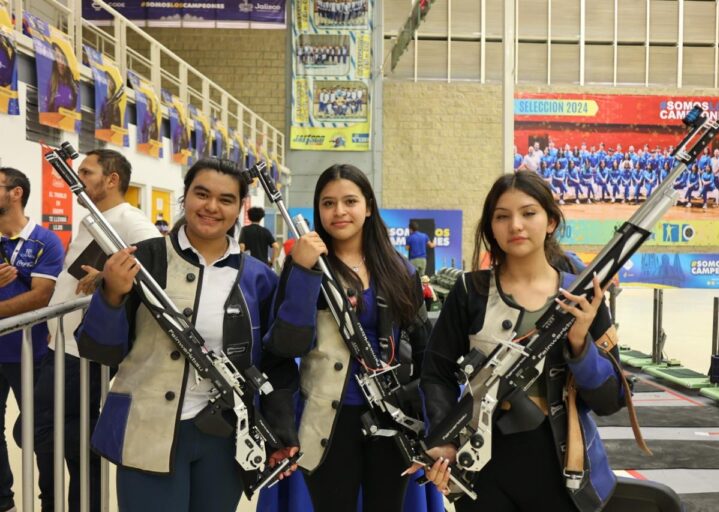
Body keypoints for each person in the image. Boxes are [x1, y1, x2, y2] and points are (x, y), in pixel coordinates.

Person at [73, 158, 322, 511]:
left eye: (225, 199)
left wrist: (280, 430)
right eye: (201, 194)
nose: (211, 207)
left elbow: (273, 361)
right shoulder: (144, 260)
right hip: (146, 430)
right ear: (185, 196)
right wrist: (112, 295)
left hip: (224, 438)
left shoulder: (258, 277)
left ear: (239, 208)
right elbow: (99, 349)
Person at [412, 171, 630, 511]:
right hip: (484, 467)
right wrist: (445, 442)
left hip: (562, 467)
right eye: (502, 216)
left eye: (528, 213)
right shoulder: (470, 292)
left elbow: (610, 399)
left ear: (551, 221)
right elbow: (436, 374)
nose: (515, 225)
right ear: (491, 228)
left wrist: (579, 344)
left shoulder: (583, 295)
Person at [261, 164, 436, 512]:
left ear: (368, 207)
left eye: (350, 201)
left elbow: (423, 346)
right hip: (327, 421)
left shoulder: (400, 270)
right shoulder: (306, 266)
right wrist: (301, 273)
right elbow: (284, 345)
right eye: (328, 203)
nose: (339, 211)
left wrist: (422, 413)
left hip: (391, 418)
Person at [35, 150, 161, 512]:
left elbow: (155, 262)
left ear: (112, 180)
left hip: (82, 354)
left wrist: (109, 277)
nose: (78, 179)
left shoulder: (128, 219)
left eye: (87, 172)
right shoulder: (96, 218)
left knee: (40, 429)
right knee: (59, 436)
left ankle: (102, 446)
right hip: (62, 345)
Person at [0, 167, 65, 512]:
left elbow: (41, 297)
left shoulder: (45, 241)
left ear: (16, 193)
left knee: (42, 434)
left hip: (32, 352)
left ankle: (51, 503)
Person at [46, 42, 77, 113]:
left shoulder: (73, 85)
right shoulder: (50, 83)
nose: (61, 62)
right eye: (58, 57)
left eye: (63, 58)